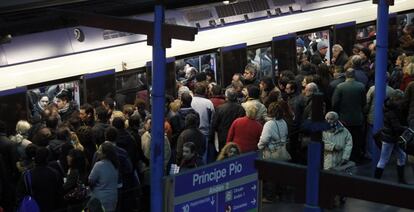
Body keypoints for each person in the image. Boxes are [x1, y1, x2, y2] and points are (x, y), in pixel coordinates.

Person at [332, 69, 366, 163]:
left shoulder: (340, 87)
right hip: (358, 118)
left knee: (344, 140)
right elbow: (364, 102)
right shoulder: (361, 86)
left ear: (345, 75)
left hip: (344, 119)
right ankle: (355, 158)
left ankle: (344, 158)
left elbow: (334, 103)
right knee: (356, 140)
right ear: (354, 75)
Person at [374, 91, 408, 184]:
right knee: (384, 160)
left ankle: (400, 180)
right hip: (390, 138)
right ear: (396, 100)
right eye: (400, 100)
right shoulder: (392, 111)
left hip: (390, 137)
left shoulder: (389, 107)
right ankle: (375, 182)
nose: (402, 102)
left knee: (401, 156)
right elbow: (396, 127)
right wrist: (407, 128)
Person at [16, 147, 64, 212]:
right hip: (52, 206)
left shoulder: (27, 175)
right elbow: (60, 192)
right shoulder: (55, 173)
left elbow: (20, 194)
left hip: (33, 207)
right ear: (47, 158)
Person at [89, 143, 119, 212]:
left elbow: (90, 181)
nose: (97, 152)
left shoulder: (98, 165)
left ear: (105, 154)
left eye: (100, 150)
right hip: (113, 198)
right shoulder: (116, 164)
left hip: (100, 200)